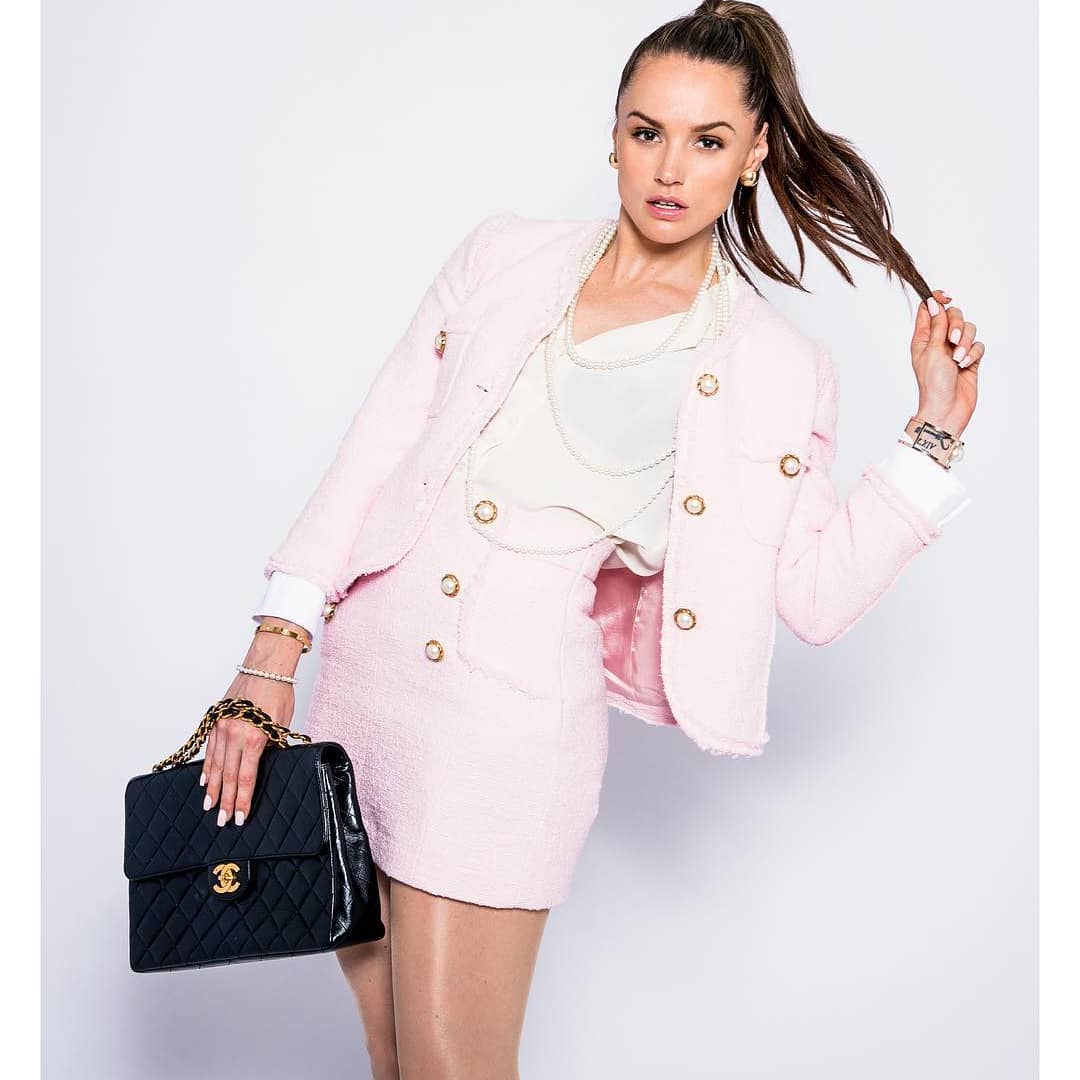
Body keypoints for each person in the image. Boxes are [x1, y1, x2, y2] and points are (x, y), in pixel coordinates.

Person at [198, 3, 983, 1075]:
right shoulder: (502, 257)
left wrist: (933, 433)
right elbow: (373, 452)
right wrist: (270, 658)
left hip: (511, 729)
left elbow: (814, 594)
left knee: (453, 1064)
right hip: (367, 694)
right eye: (647, 130)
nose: (671, 167)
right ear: (612, 133)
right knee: (389, 1051)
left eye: (708, 140)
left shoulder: (775, 367)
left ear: (754, 154)